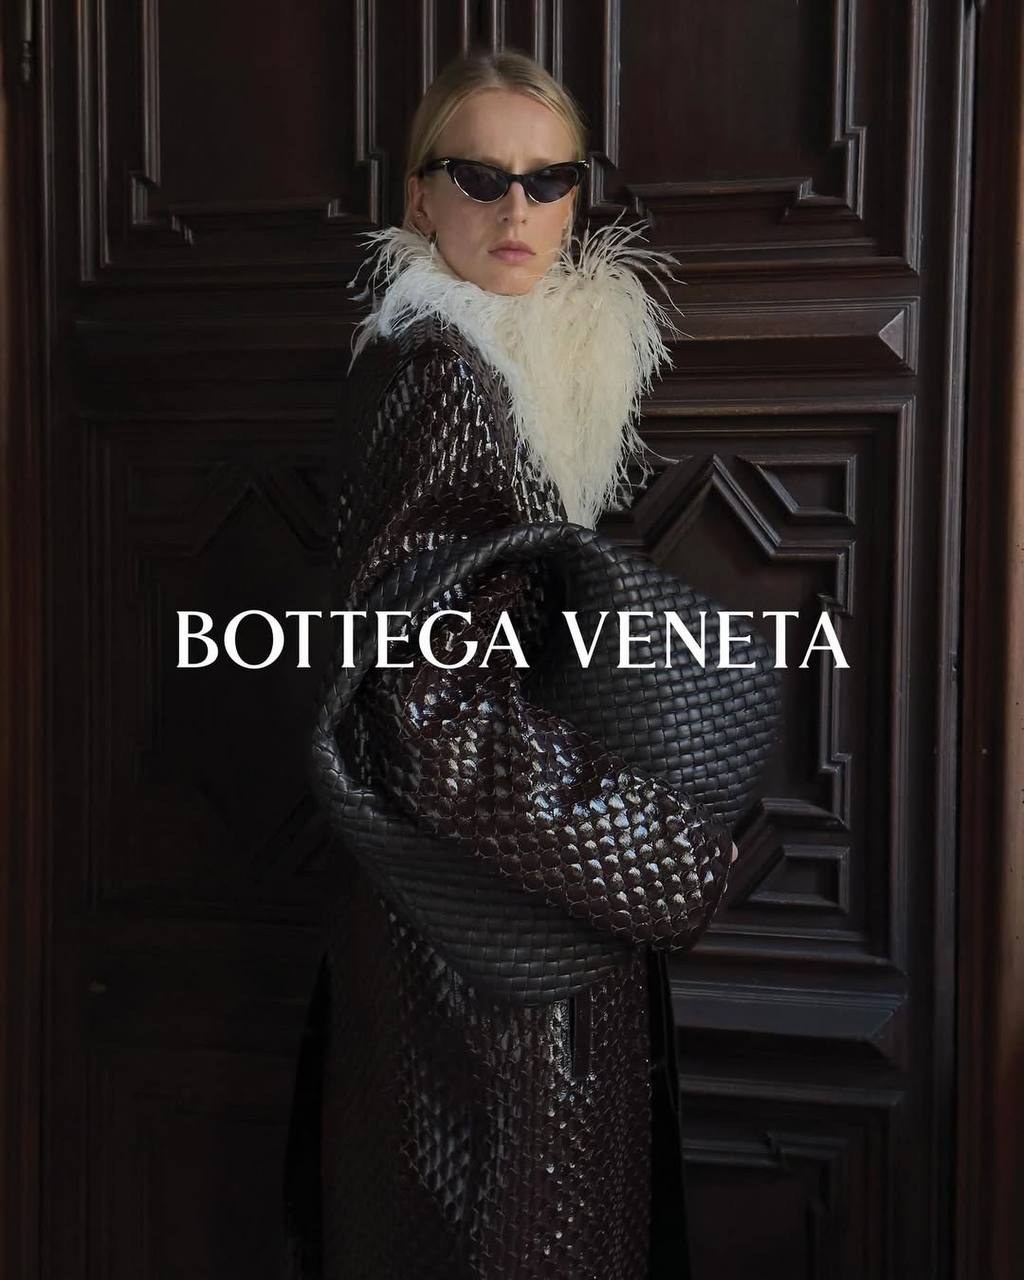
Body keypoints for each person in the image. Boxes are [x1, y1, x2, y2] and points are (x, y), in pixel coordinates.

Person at [281, 48, 742, 1280]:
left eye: (549, 179)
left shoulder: (511, 372)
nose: (517, 209)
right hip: (488, 968)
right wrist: (659, 856)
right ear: (419, 197)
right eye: (479, 176)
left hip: (484, 931)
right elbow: (422, 703)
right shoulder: (444, 379)